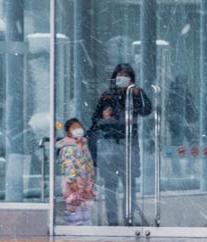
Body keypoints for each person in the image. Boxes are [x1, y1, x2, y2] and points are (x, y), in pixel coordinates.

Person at [89, 62, 152, 226]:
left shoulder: (135, 95)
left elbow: (147, 111)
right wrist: (104, 117)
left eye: (126, 75)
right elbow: (95, 121)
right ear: (114, 78)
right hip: (109, 145)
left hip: (129, 144)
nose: (122, 78)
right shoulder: (106, 96)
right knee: (110, 186)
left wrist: (138, 94)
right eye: (119, 75)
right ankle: (112, 221)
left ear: (131, 79)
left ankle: (128, 218)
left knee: (129, 184)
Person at [56, 118, 97, 227]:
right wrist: (72, 182)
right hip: (74, 182)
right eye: (74, 128)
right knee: (74, 208)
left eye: (79, 127)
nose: (78, 129)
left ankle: (85, 229)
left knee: (84, 207)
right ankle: (75, 230)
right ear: (68, 132)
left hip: (84, 181)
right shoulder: (68, 147)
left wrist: (91, 175)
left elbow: (88, 161)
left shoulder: (83, 145)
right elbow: (68, 165)